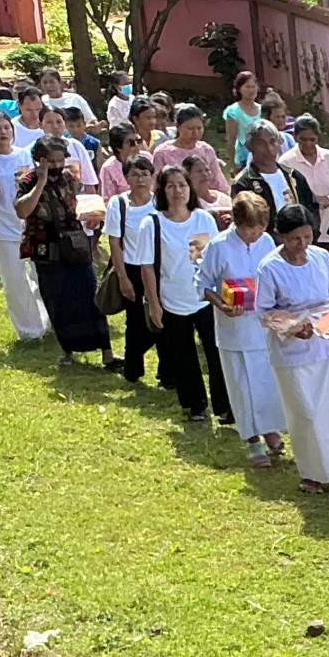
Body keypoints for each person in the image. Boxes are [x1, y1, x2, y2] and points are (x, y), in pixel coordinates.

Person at [256, 205, 329, 494]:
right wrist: (291, 326)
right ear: (281, 236)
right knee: (307, 412)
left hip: (324, 340)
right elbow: (264, 311)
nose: (301, 245)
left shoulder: (322, 257)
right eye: (294, 240)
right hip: (292, 348)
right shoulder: (270, 267)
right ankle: (313, 471)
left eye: (306, 237)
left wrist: (325, 322)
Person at [199, 193, 286, 465]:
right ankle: (252, 440)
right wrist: (222, 305)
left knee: (267, 382)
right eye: (249, 228)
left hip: (262, 326)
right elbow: (203, 284)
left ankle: (271, 427)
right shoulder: (218, 246)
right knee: (241, 385)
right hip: (233, 328)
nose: (255, 233)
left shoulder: (267, 242)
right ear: (236, 222)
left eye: (260, 227)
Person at [15, 139, 114, 370]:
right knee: (57, 299)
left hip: (75, 244)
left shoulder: (69, 179)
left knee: (89, 295)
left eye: (61, 160)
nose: (57, 165)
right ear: (39, 160)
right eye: (52, 161)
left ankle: (106, 350)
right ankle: (67, 349)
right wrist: (41, 181)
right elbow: (22, 210)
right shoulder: (27, 181)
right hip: (45, 248)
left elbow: (76, 204)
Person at [148, 165, 229, 421]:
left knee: (215, 351)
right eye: (170, 186)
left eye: (182, 185)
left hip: (204, 298)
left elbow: (205, 260)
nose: (177, 191)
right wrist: (153, 303)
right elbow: (147, 267)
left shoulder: (202, 219)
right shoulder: (153, 224)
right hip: (171, 299)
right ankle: (195, 405)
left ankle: (224, 405)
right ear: (162, 190)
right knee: (183, 355)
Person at [0, 111, 47, 341]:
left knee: (39, 276)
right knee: (14, 281)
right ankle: (30, 330)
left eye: (6, 128)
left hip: (29, 226)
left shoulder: (24, 155)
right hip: (1, 230)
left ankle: (46, 318)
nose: (3, 133)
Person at [105, 154, 159, 380]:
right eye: (134, 175)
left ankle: (167, 373)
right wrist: (123, 277)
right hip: (132, 268)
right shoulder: (119, 204)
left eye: (145, 174)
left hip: (157, 269)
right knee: (136, 321)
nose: (140, 180)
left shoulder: (159, 203)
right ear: (126, 178)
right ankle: (133, 369)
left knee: (161, 321)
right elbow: (114, 242)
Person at [230, 122, 317, 225]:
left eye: (273, 142)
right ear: (250, 146)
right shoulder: (244, 183)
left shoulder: (293, 176)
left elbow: (312, 210)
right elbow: (245, 222)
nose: (269, 148)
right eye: (261, 143)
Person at [284, 116, 329, 216]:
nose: (308, 144)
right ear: (295, 137)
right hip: (301, 220)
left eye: (312, 139)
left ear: (318, 137)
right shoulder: (286, 162)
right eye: (303, 139)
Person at [152, 104, 221, 180]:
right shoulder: (163, 153)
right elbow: (155, 183)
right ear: (178, 127)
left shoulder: (207, 150)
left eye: (199, 128)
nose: (195, 133)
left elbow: (218, 181)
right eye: (190, 128)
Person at [222, 71, 262, 167]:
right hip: (243, 158)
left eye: (253, 86)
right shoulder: (233, 112)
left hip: (262, 155)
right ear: (239, 89)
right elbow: (231, 140)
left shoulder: (263, 109)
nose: (251, 90)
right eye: (247, 87)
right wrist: (233, 164)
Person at [184, 153, 234, 229]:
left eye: (207, 170)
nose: (205, 174)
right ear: (188, 175)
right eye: (199, 171)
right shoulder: (187, 202)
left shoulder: (223, 198)